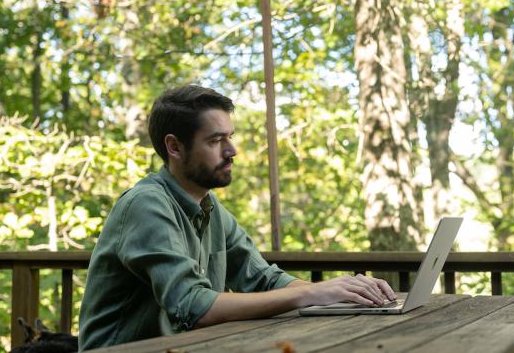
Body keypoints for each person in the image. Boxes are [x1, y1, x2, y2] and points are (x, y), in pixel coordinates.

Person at [78, 85, 395, 349]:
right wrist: (311, 293)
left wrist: (335, 292)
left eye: (229, 136)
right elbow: (193, 306)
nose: (232, 150)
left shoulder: (209, 207)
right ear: (174, 147)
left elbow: (263, 280)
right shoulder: (146, 205)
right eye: (216, 140)